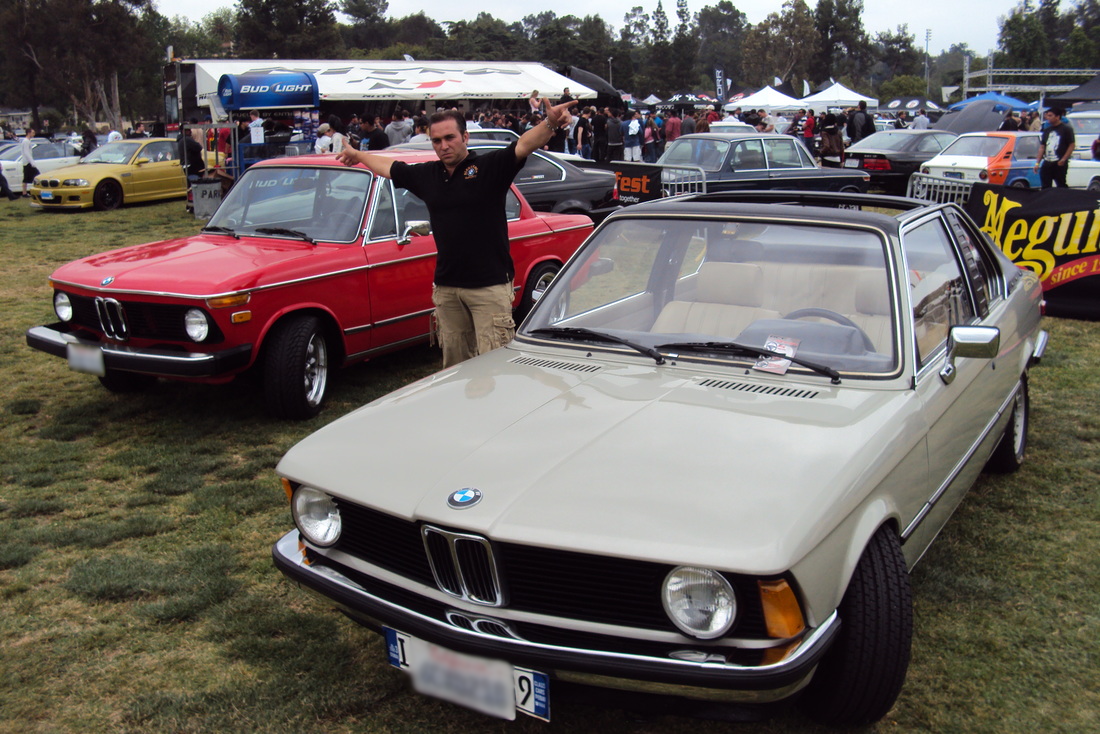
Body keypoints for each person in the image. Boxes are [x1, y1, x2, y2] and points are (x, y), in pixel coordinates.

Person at [335, 98, 577, 368]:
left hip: (489, 287)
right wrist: (358, 156)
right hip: (447, 288)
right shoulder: (429, 175)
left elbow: (523, 145)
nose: (443, 146)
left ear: (465, 137)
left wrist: (550, 123)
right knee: (454, 367)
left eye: (450, 138)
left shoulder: (489, 168)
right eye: (436, 141)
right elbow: (390, 168)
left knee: (493, 367)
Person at [1035, 107, 1076, 189]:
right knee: (1045, 185)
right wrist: (1037, 163)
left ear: (1057, 117)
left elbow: (1071, 145)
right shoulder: (1047, 130)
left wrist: (1064, 159)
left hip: (1059, 162)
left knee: (1061, 184)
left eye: (1050, 116)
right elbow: (1042, 146)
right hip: (1047, 162)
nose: (1048, 118)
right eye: (1047, 116)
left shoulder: (1066, 129)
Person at [20, 128, 37, 196]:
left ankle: (25, 192)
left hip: (28, 162)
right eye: (33, 133)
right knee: (36, 175)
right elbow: (26, 152)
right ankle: (24, 193)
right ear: (29, 133)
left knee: (28, 177)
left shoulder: (27, 141)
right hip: (27, 163)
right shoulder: (26, 141)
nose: (34, 134)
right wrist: (32, 162)